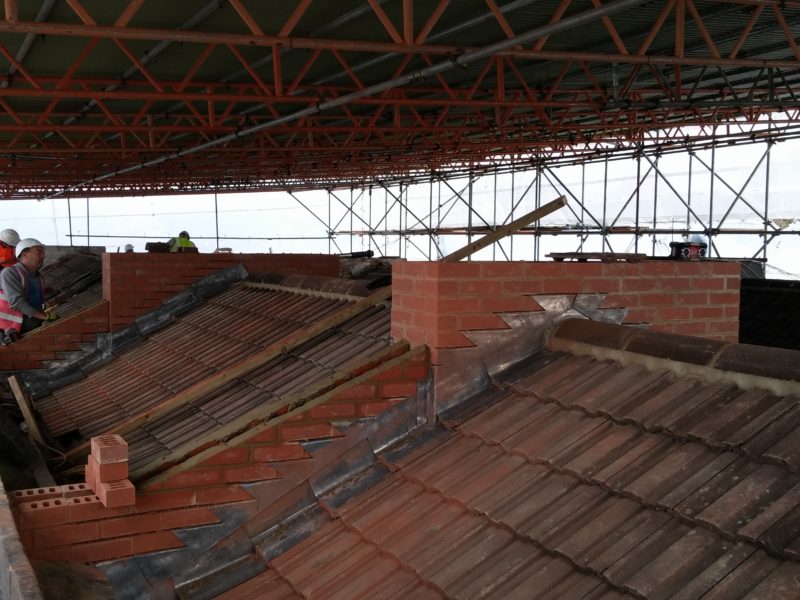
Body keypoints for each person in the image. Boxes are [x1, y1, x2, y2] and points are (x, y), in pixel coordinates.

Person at [0, 238, 57, 340]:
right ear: (25, 254)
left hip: (26, 325)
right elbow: (16, 302)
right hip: (7, 329)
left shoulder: (38, 277)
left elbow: (36, 303)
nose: (43, 256)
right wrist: (45, 317)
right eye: (39, 252)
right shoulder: (10, 273)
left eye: (43, 252)